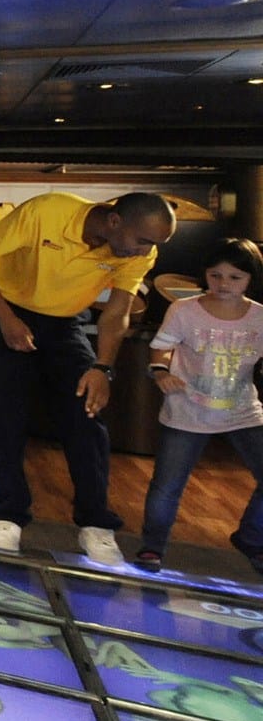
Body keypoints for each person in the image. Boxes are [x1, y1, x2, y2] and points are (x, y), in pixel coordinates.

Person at [0, 191, 175, 561]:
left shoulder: (139, 252)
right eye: (143, 241)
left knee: (86, 411)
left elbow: (117, 313)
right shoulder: (47, 212)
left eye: (155, 245)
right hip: (4, 307)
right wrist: (5, 319)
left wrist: (102, 368)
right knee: (5, 411)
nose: (147, 252)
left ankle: (95, 523)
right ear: (114, 222)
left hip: (65, 322)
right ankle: (8, 515)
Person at [137, 239, 263, 573]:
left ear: (251, 278)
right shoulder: (185, 310)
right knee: (167, 484)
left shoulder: (260, 317)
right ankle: (152, 547)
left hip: (243, 411)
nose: (223, 284)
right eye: (215, 275)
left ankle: (252, 536)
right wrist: (161, 370)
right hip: (187, 410)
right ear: (204, 274)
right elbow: (161, 347)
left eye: (235, 277)